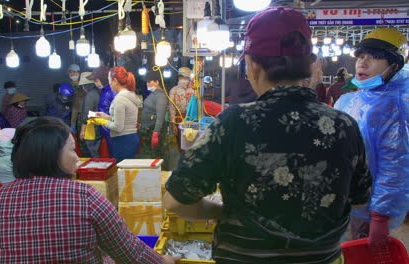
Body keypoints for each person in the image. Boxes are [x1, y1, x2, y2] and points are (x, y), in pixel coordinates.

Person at [163, 7, 372, 264]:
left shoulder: (232, 124)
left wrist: (221, 212)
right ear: (309, 65)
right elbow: (360, 199)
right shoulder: (344, 125)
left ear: (253, 65)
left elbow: (175, 201)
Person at [0, 116, 180, 264]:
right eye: (71, 150)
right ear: (51, 154)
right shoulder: (85, 197)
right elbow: (131, 254)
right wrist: (164, 261)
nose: (77, 157)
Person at [334, 27, 409, 247]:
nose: (363, 63)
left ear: (394, 66)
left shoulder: (394, 107)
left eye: (375, 57)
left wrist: (381, 215)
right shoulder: (347, 101)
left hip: (368, 210)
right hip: (340, 205)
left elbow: (394, 166)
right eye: (361, 56)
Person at [91, 66, 141, 162]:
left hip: (123, 140)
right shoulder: (129, 94)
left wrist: (101, 121)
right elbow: (121, 119)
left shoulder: (120, 99)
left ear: (115, 80)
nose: (109, 83)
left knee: (123, 172)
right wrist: (104, 116)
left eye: (109, 80)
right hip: (130, 138)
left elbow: (118, 127)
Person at [139, 70, 169, 161]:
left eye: (149, 82)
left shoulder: (161, 96)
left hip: (153, 131)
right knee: (149, 157)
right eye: (146, 82)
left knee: (156, 157)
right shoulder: (153, 94)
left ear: (157, 82)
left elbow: (160, 117)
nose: (147, 84)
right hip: (148, 131)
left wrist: (156, 133)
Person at [86, 66, 116, 157]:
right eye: (94, 81)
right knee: (113, 155)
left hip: (112, 130)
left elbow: (114, 112)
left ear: (103, 78)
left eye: (97, 80)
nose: (96, 84)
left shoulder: (110, 92)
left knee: (116, 157)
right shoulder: (104, 91)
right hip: (107, 130)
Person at [168, 67, 195, 147]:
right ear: (179, 77)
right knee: (181, 143)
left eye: (185, 77)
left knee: (191, 141)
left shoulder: (193, 90)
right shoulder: (174, 90)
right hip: (179, 118)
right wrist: (173, 124)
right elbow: (171, 108)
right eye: (181, 77)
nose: (183, 79)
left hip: (192, 119)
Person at [80, 70, 103, 158]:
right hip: (98, 125)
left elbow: (87, 113)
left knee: (91, 151)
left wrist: (83, 130)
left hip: (91, 126)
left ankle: (94, 168)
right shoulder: (99, 92)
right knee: (95, 149)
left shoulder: (91, 95)